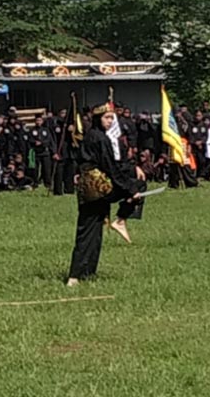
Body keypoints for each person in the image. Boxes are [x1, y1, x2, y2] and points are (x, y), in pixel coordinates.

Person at [68, 104, 143, 286]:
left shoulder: (90, 136)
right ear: (98, 119)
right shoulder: (101, 139)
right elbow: (110, 167)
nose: (110, 121)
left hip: (88, 189)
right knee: (139, 185)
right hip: (98, 188)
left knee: (91, 228)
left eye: (111, 118)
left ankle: (82, 274)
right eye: (106, 118)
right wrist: (130, 189)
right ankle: (122, 218)